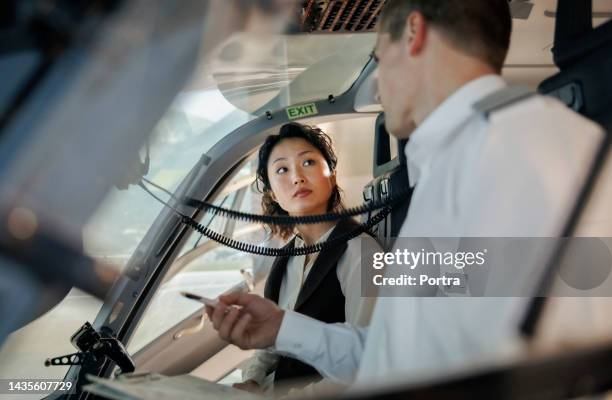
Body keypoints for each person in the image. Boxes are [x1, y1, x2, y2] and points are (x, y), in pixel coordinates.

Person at [207, 0, 605, 391]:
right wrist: (282, 328)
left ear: (414, 32)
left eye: (380, 57)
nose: (379, 82)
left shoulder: (506, 158)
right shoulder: (458, 162)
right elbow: (398, 357)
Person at [233, 122, 378, 393]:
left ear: (332, 175)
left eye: (308, 162)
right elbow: (270, 346)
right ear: (273, 194)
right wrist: (252, 380)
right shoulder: (289, 256)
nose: (297, 177)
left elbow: (366, 362)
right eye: (282, 169)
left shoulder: (361, 252)